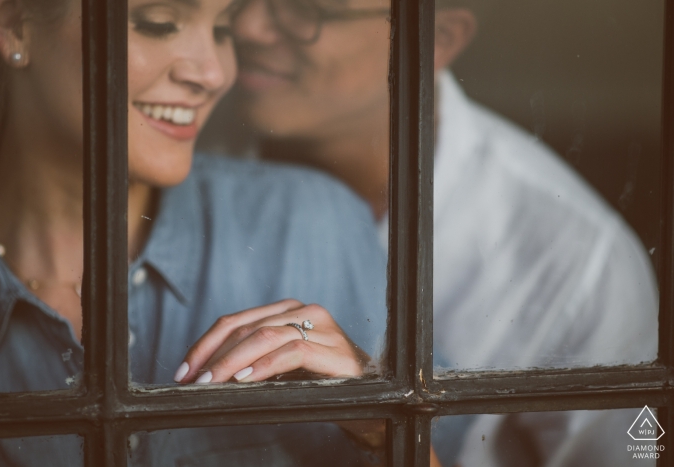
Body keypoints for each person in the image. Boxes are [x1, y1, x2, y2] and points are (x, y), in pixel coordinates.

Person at [228, 0, 659, 465]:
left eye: (304, 9)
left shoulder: (577, 258)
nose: (247, 25)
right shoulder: (178, 152)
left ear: (437, 39)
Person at [0, 0, 388, 464]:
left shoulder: (311, 223)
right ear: (12, 21)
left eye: (224, 30)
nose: (213, 74)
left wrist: (378, 428)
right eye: (159, 24)